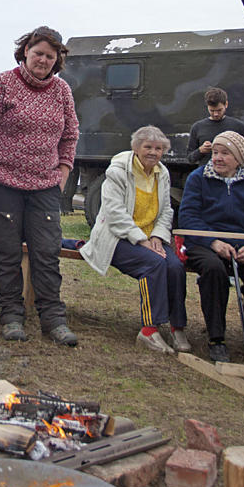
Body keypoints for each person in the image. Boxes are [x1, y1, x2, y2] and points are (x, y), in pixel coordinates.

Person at [0, 26, 80, 346]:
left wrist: (62, 173)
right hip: (1, 183)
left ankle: (53, 319)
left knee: (46, 252)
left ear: (57, 59)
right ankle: (11, 316)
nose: (43, 59)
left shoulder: (62, 92)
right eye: (38, 53)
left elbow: (70, 135)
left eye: (50, 55)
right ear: (25, 52)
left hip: (44, 186)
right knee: (7, 253)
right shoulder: (1, 85)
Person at [83, 127, 188, 354]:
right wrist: (141, 240)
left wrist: (158, 236)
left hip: (151, 237)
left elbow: (166, 210)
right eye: (147, 147)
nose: (153, 152)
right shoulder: (118, 171)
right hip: (118, 237)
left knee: (175, 266)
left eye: (158, 148)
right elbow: (113, 212)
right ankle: (149, 331)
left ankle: (177, 326)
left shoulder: (163, 173)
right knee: (154, 264)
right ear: (135, 148)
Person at [175, 130, 244, 363]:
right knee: (214, 269)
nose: (217, 158)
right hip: (204, 243)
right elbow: (188, 218)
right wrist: (213, 242)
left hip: (243, 245)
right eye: (215, 152)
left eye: (225, 153)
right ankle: (217, 338)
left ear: (239, 158)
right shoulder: (198, 178)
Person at [185, 86, 244, 169]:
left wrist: (242, 157)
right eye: (212, 111)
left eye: (219, 110)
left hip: (230, 176)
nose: (216, 114)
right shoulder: (198, 127)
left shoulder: (236, 125)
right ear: (207, 107)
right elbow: (190, 158)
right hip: (206, 177)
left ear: (226, 104)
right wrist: (200, 150)